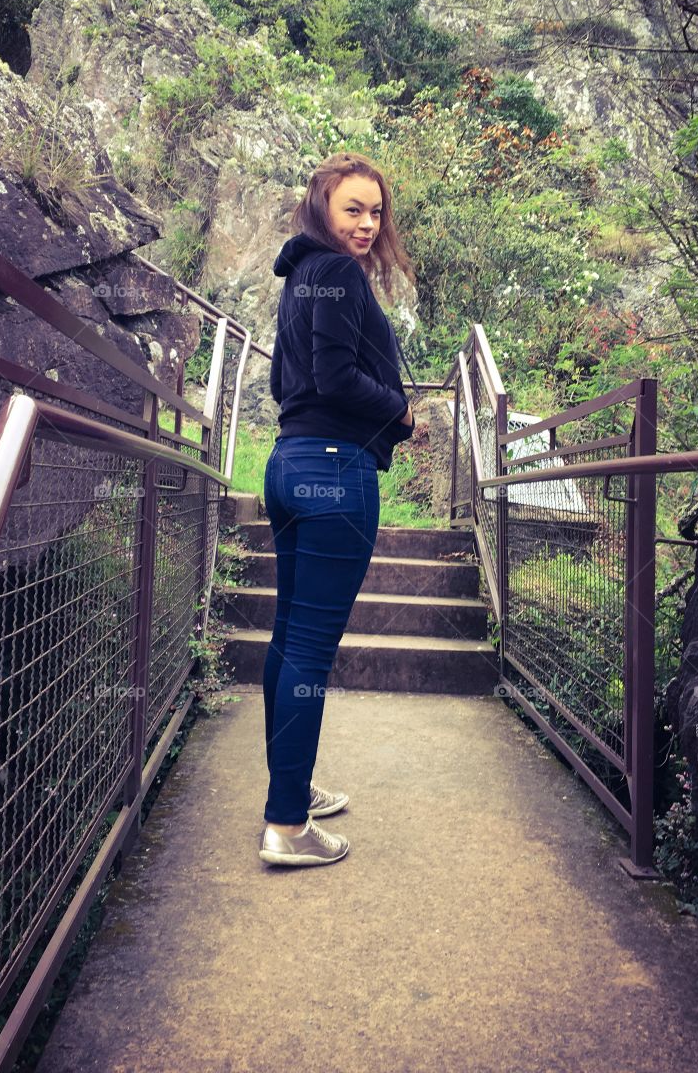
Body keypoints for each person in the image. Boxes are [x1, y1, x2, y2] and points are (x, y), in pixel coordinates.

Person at [259, 150, 418, 867]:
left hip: (288, 464)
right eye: (352, 208)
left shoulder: (299, 277)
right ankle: (288, 827)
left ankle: (290, 788)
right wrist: (403, 414)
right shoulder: (339, 275)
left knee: (289, 639)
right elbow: (335, 376)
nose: (366, 223)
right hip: (333, 475)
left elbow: (282, 382)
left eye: (375, 211)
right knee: (311, 654)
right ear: (322, 206)